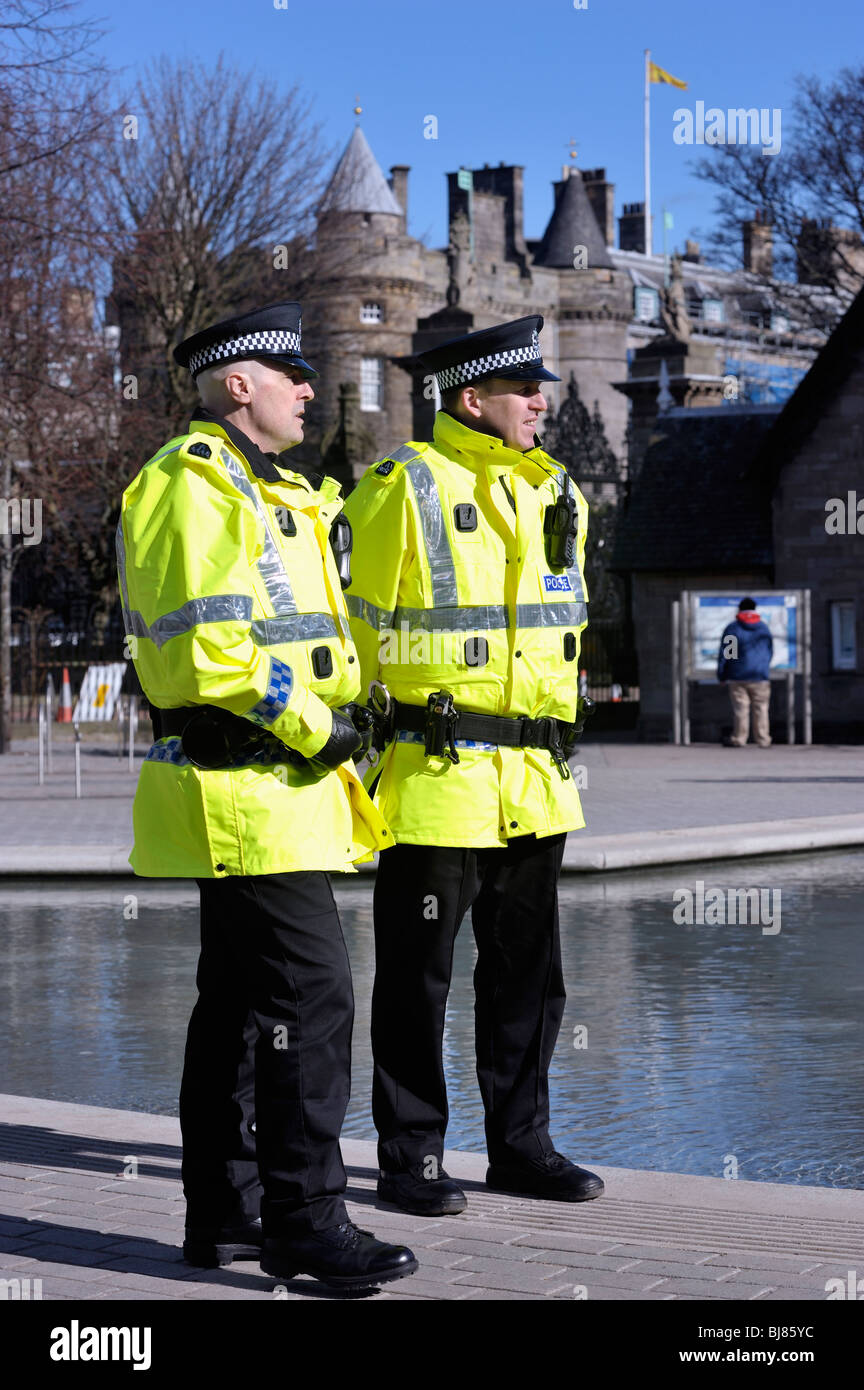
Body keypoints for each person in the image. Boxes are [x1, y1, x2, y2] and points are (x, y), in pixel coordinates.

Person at [117, 301, 417, 1291]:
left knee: (244, 1009)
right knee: (312, 998)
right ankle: (306, 1222)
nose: (306, 387)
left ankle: (228, 1215)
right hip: (242, 788)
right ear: (238, 384)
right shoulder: (191, 483)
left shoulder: (270, 490)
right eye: (291, 371)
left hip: (275, 794)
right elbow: (211, 649)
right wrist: (315, 723)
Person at [343, 316, 605, 1215]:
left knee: (530, 977)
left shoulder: (558, 490)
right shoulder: (399, 486)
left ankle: (522, 1148)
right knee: (419, 980)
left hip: (535, 782)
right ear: (472, 399)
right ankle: (410, 1155)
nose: (542, 402)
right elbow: (352, 632)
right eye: (526, 390)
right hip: (434, 779)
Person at [716, 596, 774, 747]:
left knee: (741, 709)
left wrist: (722, 674)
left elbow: (728, 654)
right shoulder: (763, 628)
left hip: (737, 675)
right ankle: (763, 739)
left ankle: (739, 739)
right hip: (760, 675)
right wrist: (762, 666)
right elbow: (769, 651)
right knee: (761, 709)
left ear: (739, 609)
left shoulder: (733, 628)